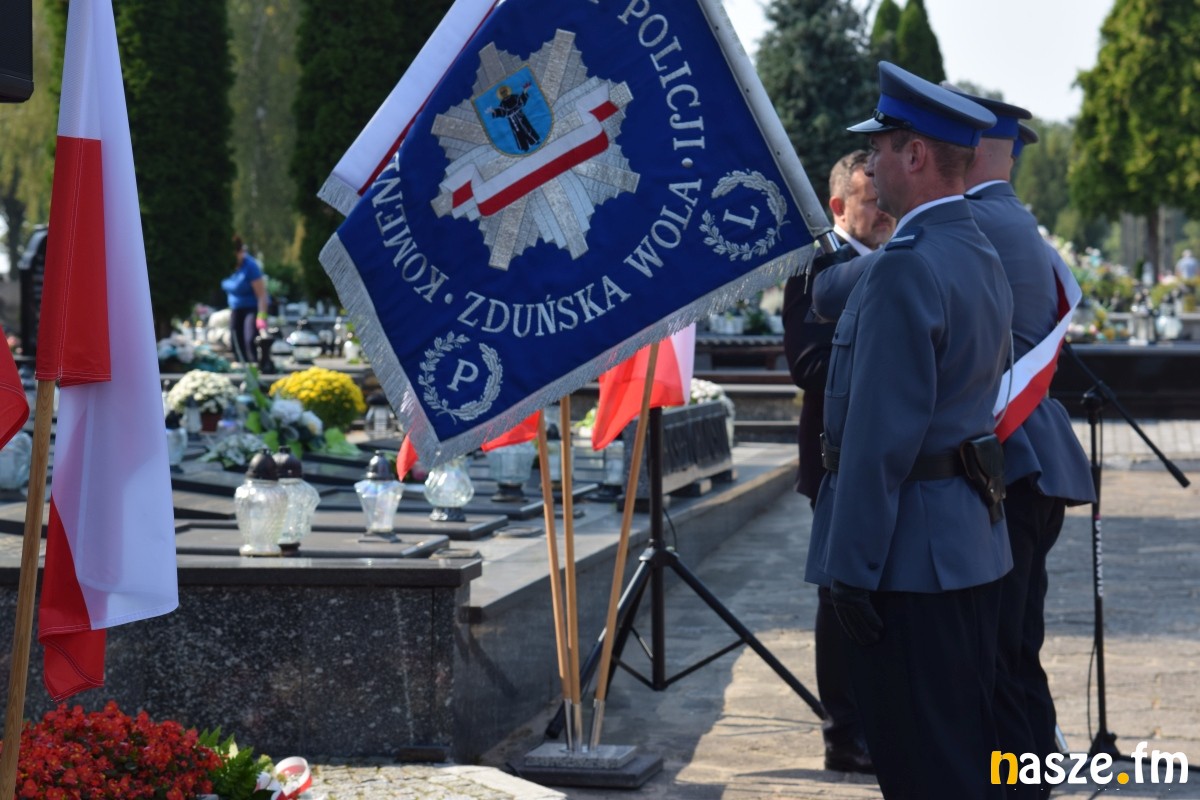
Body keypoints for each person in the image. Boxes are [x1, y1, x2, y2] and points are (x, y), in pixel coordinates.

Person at [804, 62, 1013, 799]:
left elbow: (877, 444)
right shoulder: (975, 248)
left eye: (880, 148)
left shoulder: (906, 268)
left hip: (904, 564)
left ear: (915, 154)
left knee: (922, 768)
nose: (870, 163)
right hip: (965, 546)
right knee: (959, 754)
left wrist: (851, 571)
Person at [951, 90, 1097, 799]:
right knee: (1014, 648)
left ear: (972, 148)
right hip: (1031, 459)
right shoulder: (1016, 220)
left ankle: (1017, 786)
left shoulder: (974, 222)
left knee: (997, 656)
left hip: (1005, 464)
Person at [782, 149, 894, 774]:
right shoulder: (818, 266)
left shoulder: (896, 258)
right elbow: (808, 365)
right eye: (870, 201)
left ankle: (879, 716)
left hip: (885, 457)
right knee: (839, 595)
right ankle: (844, 733)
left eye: (885, 200)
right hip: (834, 459)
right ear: (838, 206)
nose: (883, 212)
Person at [222, 234, 269, 366]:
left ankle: (255, 366)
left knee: (250, 339)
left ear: (240, 252)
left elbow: (262, 295)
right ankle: (241, 367)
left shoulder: (250, 266)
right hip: (236, 308)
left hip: (252, 307)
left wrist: (261, 317)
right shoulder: (226, 266)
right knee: (235, 341)